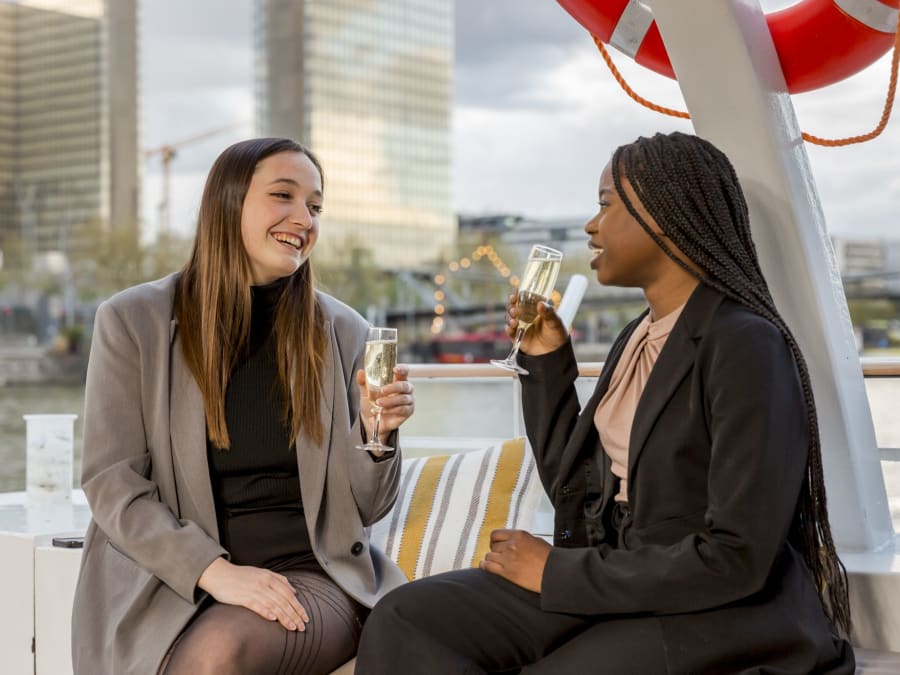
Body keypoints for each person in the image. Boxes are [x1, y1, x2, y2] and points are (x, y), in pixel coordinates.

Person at [356, 131, 854, 674]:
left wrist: (557, 575)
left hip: (715, 606)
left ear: (665, 213)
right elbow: (577, 493)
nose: (591, 226)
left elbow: (737, 556)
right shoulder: (637, 337)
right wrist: (547, 364)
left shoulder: (745, 344)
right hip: (617, 577)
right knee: (404, 617)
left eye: (605, 205)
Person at [71, 137, 414, 675]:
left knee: (217, 656)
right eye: (284, 195)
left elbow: (366, 511)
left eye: (315, 206)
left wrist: (378, 435)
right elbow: (114, 485)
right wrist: (215, 572)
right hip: (173, 580)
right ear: (228, 203)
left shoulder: (347, 332)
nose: (303, 218)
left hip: (312, 574)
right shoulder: (132, 321)